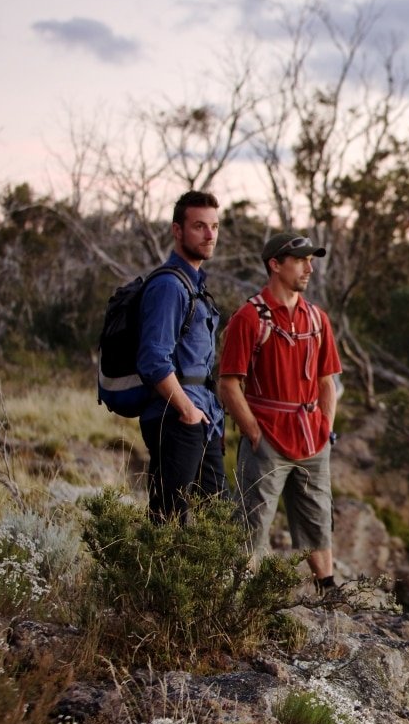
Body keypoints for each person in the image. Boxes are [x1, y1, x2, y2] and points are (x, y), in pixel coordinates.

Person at [218, 232, 342, 591]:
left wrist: (325, 429)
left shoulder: (317, 319)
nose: (309, 268)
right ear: (275, 264)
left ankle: (328, 590)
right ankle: (239, 597)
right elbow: (229, 384)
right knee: (252, 522)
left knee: (318, 515)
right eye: (301, 260)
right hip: (267, 437)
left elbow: (326, 381)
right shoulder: (249, 318)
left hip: (311, 436)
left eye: (311, 260)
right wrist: (254, 434)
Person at [137, 189, 227, 522]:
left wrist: (207, 416)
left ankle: (210, 577)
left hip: (204, 418)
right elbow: (153, 359)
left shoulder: (196, 286)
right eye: (199, 226)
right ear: (177, 230)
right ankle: (150, 575)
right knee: (170, 519)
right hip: (176, 417)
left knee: (221, 519)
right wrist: (187, 410)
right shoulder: (169, 287)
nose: (209, 235)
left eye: (215, 227)